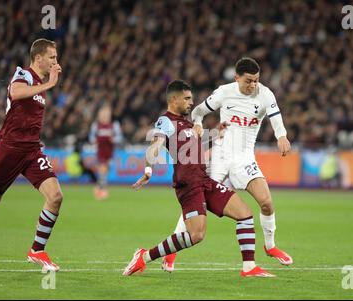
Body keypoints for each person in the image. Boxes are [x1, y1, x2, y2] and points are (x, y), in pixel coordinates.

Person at [123, 80, 273, 277]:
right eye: (187, 98)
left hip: (204, 181)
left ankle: (249, 267)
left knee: (244, 214)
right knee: (196, 235)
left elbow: (194, 145)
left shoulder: (187, 124)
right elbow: (155, 145)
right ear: (173, 99)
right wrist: (148, 171)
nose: (191, 102)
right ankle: (144, 256)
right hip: (188, 185)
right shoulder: (166, 121)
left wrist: (215, 134)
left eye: (191, 98)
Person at [163, 57, 293, 272]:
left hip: (244, 158)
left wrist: (282, 136)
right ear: (237, 78)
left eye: (256, 81)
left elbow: (275, 117)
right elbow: (198, 112)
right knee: (197, 201)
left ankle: (270, 246)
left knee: (267, 202)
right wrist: (196, 124)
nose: (253, 85)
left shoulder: (265, 94)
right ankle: (171, 251)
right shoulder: (224, 92)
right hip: (222, 155)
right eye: (249, 81)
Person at [0, 39, 62, 271]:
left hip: (32, 150)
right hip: (10, 149)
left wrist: (47, 84)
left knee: (55, 197)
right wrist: (49, 84)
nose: (56, 62)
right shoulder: (23, 75)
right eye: (52, 57)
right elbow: (15, 92)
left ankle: (37, 250)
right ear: (39, 58)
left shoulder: (39, 85)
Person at [89, 105, 122, 200]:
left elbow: (119, 137)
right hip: (100, 151)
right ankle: (103, 190)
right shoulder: (96, 125)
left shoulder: (114, 125)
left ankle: (98, 187)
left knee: (105, 170)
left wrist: (113, 140)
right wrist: (95, 140)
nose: (105, 116)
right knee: (103, 169)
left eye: (107, 114)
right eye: (103, 114)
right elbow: (91, 137)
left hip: (110, 151)